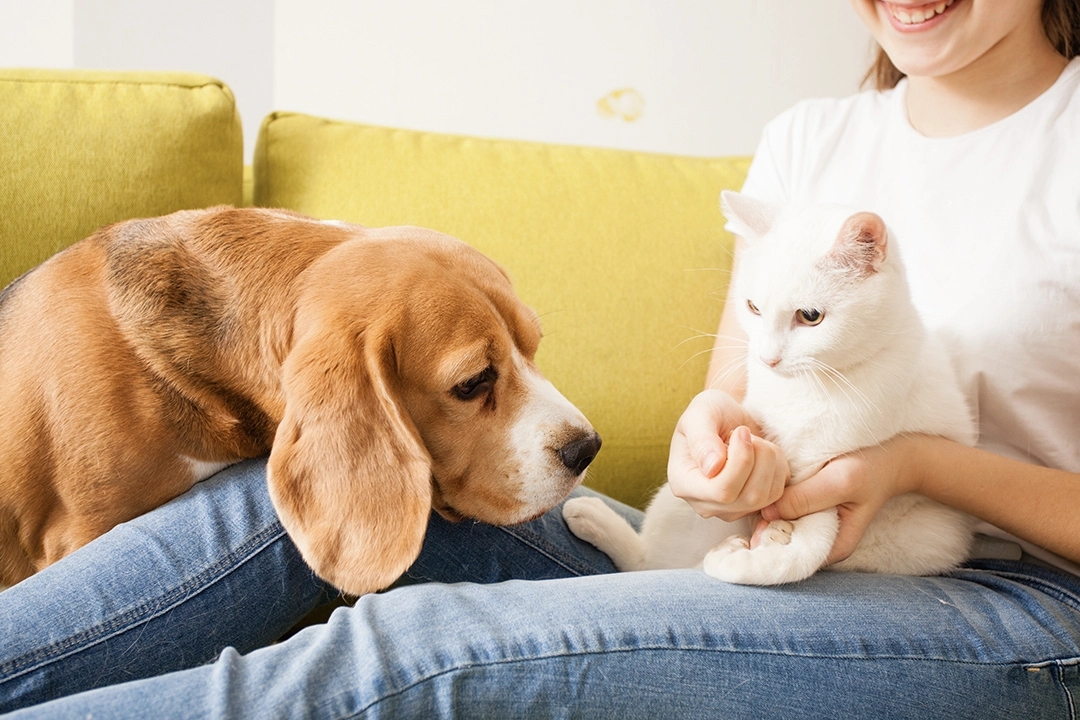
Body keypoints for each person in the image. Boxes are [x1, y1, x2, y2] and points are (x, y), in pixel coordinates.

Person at [2, 0, 1079, 716]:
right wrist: (720, 447)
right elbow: (729, 395)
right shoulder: (815, 138)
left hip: (1009, 601)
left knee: (410, 655)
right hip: (733, 553)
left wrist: (916, 466)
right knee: (282, 505)